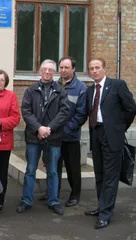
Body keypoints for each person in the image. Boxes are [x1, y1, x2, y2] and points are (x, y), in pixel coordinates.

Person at [85, 58, 136, 229]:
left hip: (112, 136)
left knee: (110, 177)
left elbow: (131, 108)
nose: (94, 71)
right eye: (91, 68)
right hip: (96, 135)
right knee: (99, 174)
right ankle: (101, 207)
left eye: (97, 67)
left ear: (104, 69)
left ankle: (106, 214)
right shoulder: (90, 90)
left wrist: (120, 128)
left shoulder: (117, 85)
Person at [16, 59, 70, 216]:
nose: (47, 72)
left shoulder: (61, 90)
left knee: (53, 171)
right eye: (45, 69)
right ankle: (26, 200)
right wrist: (38, 127)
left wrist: (49, 128)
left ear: (55, 72)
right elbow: (26, 111)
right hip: (34, 136)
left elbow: (64, 112)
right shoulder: (31, 90)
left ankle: (53, 201)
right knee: (30, 169)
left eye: (51, 70)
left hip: (53, 138)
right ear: (40, 71)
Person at [39, 56, 88, 206]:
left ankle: (75, 194)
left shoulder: (81, 88)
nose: (63, 70)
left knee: (73, 167)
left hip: (70, 136)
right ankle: (52, 192)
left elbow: (81, 115)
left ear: (73, 69)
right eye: (61, 67)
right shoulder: (53, 85)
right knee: (53, 166)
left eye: (67, 67)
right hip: (53, 136)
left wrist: (65, 130)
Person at [0, 69, 20, 212]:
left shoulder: (11, 96)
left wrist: (1, 122)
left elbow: (15, 118)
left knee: (1, 172)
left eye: (2, 80)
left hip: (3, 142)